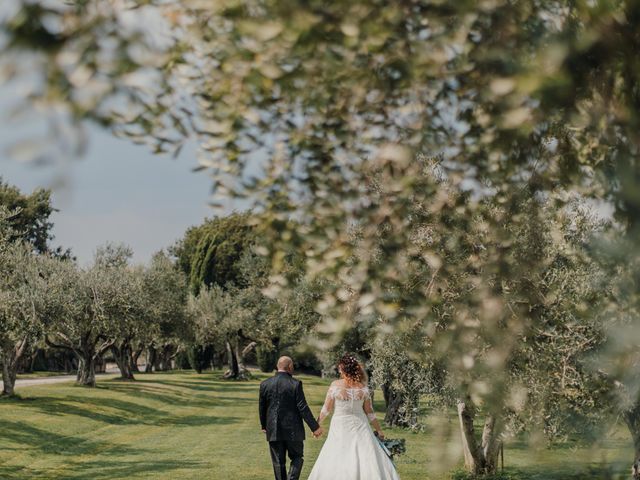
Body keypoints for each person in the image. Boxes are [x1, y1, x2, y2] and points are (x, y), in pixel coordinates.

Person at [307, 353, 401, 480]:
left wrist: (317, 425)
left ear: (343, 368)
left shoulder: (335, 385)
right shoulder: (363, 388)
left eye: (340, 368)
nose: (338, 370)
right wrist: (379, 430)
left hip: (340, 425)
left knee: (337, 452)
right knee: (364, 453)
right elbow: (370, 413)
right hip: (360, 425)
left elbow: (326, 409)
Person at [259, 356, 324, 480]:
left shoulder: (265, 384)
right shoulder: (295, 384)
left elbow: (262, 408)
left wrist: (264, 425)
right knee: (297, 457)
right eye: (292, 365)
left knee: (278, 462)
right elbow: (303, 407)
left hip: (273, 429)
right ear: (289, 367)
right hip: (293, 430)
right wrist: (315, 427)